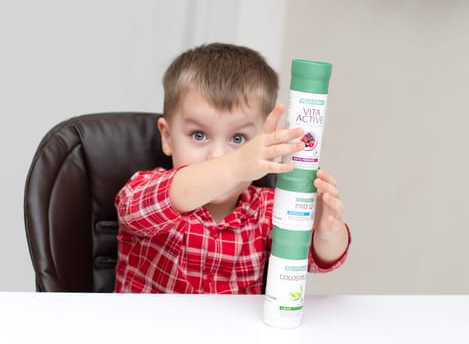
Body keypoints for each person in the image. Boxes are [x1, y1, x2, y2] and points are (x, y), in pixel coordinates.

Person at [114, 42, 351, 294]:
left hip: (237, 334)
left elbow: (318, 260)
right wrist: (237, 164)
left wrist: (327, 233)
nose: (217, 155)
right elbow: (151, 203)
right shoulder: (142, 190)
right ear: (168, 137)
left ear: (264, 140)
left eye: (238, 139)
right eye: (198, 135)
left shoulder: (269, 209)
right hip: (147, 331)